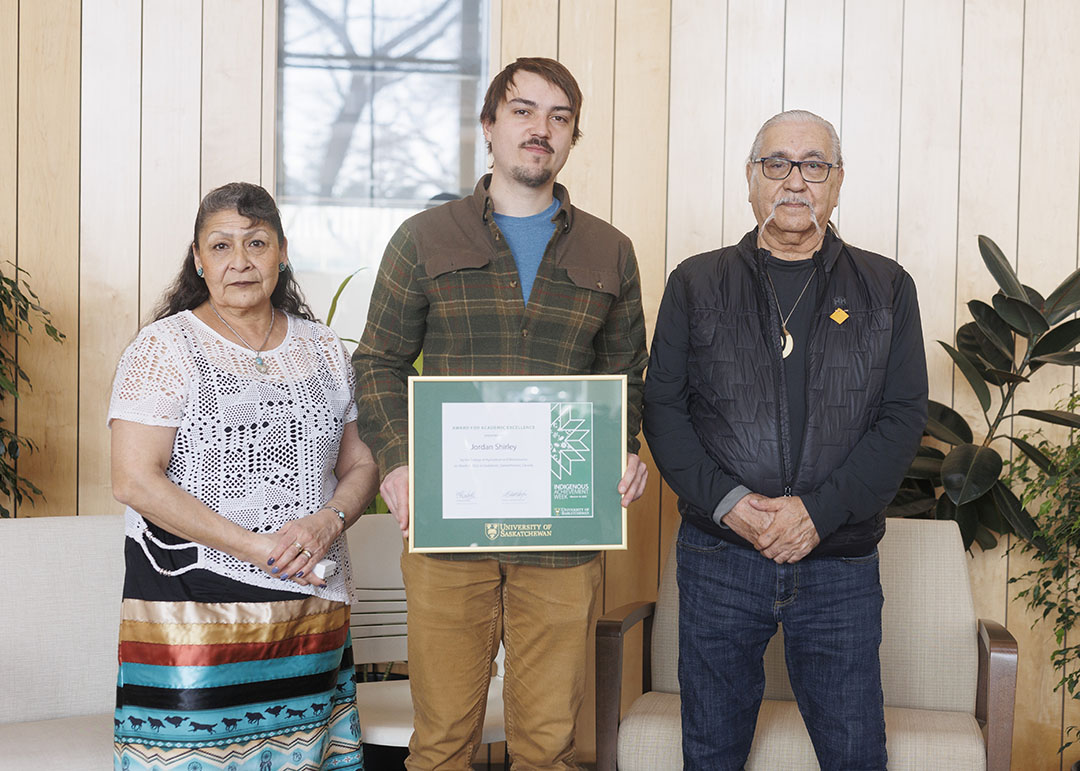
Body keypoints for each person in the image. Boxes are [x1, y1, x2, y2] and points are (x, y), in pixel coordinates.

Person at [352, 57, 649, 770]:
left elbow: (624, 373)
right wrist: (396, 464)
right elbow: (376, 363)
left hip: (563, 533)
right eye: (523, 110)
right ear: (490, 126)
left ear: (573, 136)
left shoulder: (610, 250)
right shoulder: (423, 239)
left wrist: (626, 444)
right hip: (449, 531)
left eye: (559, 116)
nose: (539, 129)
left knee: (549, 743)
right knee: (444, 740)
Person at [643, 110, 928, 770]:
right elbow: (665, 410)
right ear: (750, 180)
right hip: (719, 558)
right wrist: (733, 504)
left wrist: (815, 514)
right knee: (711, 752)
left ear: (836, 182)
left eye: (814, 165)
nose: (795, 180)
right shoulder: (696, 282)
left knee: (855, 752)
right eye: (777, 164)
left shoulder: (888, 288)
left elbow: (902, 417)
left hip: (838, 561)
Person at [109, 182, 378, 771]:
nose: (240, 261)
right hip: (195, 609)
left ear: (282, 252)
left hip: (311, 601)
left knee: (304, 757)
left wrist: (327, 522)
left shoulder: (325, 349)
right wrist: (255, 548)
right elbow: (134, 481)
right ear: (199, 259)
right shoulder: (164, 347)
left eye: (256, 243)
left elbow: (360, 463)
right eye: (221, 245)